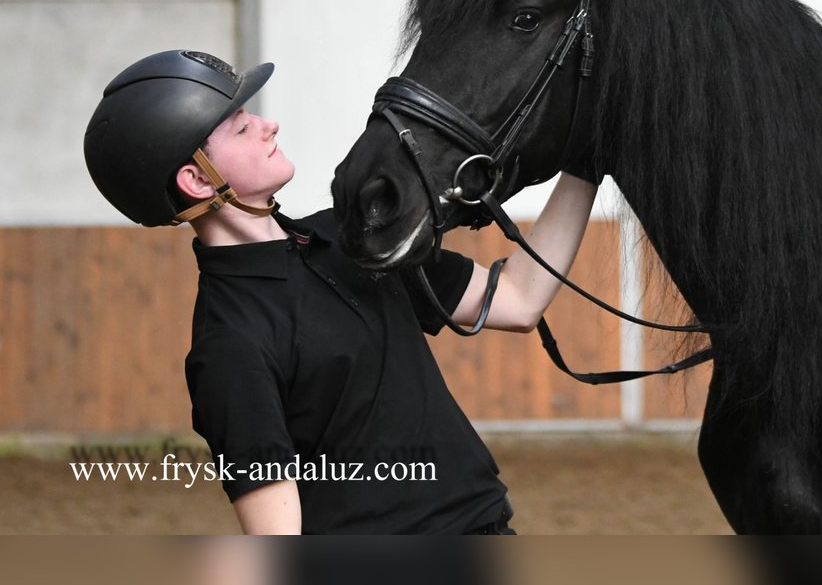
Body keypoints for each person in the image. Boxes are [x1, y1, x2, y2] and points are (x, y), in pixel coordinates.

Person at [83, 49, 597, 534]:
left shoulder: (349, 236)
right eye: (242, 127)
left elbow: (517, 299)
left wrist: (587, 160)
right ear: (198, 181)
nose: (269, 125)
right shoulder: (230, 344)